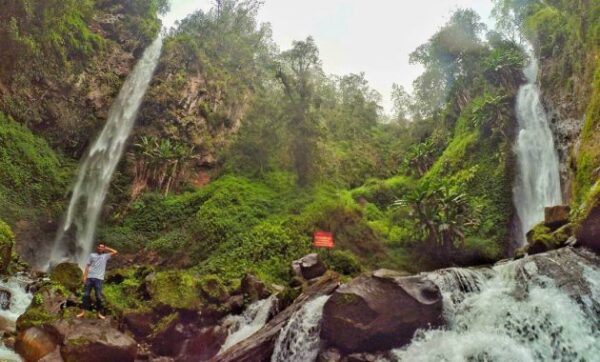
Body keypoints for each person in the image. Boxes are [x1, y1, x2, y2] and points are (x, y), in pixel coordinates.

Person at [76, 243, 118, 319]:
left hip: (99, 279)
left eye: (102, 247)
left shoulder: (105, 256)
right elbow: (87, 266)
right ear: (97, 248)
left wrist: (106, 248)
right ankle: (82, 312)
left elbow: (115, 252)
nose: (101, 248)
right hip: (90, 278)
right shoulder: (92, 255)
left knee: (98, 297)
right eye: (100, 247)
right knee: (85, 295)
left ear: (103, 249)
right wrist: (84, 276)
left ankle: (98, 314)